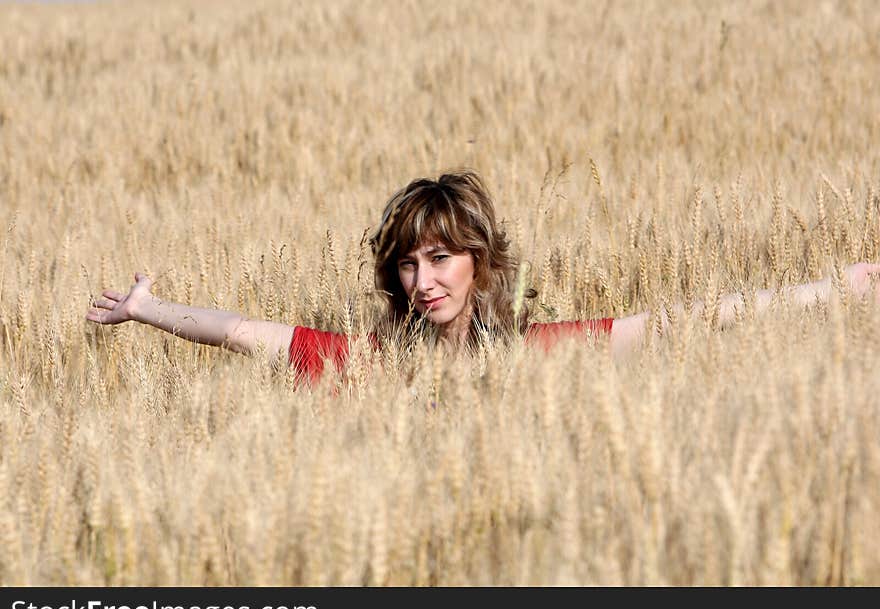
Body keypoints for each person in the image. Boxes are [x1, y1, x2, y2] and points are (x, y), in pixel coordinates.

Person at [85, 170, 880, 383]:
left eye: (439, 258)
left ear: (479, 263)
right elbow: (241, 332)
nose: (422, 279)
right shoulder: (373, 367)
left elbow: (684, 319)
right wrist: (147, 308)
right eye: (407, 262)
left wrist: (838, 289)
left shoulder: (535, 356)